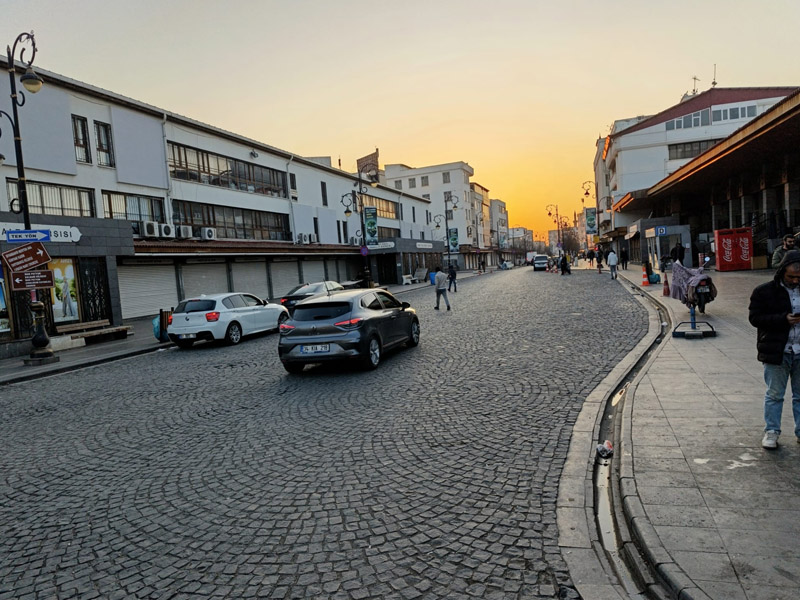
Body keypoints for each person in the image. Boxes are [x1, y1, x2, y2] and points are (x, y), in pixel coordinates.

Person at [749, 250, 800, 449]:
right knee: (774, 394)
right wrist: (783, 319)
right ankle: (772, 431)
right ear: (781, 272)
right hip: (777, 350)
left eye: (799, 278)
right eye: (791, 277)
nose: (795, 281)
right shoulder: (764, 291)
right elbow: (755, 318)